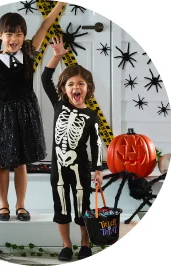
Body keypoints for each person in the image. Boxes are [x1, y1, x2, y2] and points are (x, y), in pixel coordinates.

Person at [0, 2, 67, 222]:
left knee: (22, 163)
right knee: (3, 163)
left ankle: (21, 205)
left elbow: (45, 25)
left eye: (19, 34)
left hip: (26, 112)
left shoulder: (28, 51)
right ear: (0, 35)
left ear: (24, 36)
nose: (14, 39)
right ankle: (3, 205)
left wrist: (60, 4)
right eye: (9, 34)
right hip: (2, 115)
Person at [41, 36, 103, 261]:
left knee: (82, 206)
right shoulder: (59, 105)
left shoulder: (91, 115)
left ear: (88, 88)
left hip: (81, 167)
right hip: (58, 165)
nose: (76, 87)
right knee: (61, 206)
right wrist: (57, 56)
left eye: (81, 84)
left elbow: (95, 144)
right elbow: (45, 77)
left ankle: (85, 243)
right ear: (63, 89)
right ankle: (66, 245)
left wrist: (98, 169)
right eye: (70, 84)